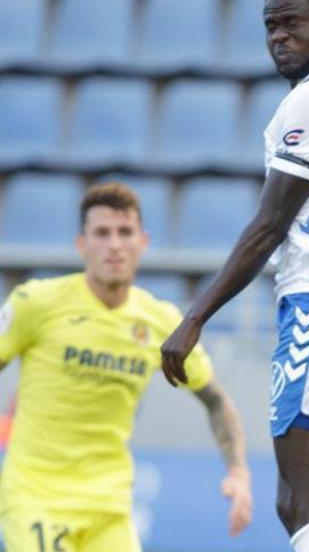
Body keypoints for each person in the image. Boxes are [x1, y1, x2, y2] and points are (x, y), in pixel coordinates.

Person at [159, 0, 309, 550]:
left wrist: (195, 318)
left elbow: (269, 225)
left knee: (300, 504)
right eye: (271, 26)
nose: (280, 37)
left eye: (294, 24)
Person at [0, 183, 252, 551]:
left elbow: (215, 400)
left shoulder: (161, 323)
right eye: (101, 233)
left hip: (110, 505)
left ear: (143, 242)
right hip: (37, 497)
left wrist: (239, 473)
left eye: (124, 232)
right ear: (81, 244)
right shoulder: (35, 304)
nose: (114, 244)